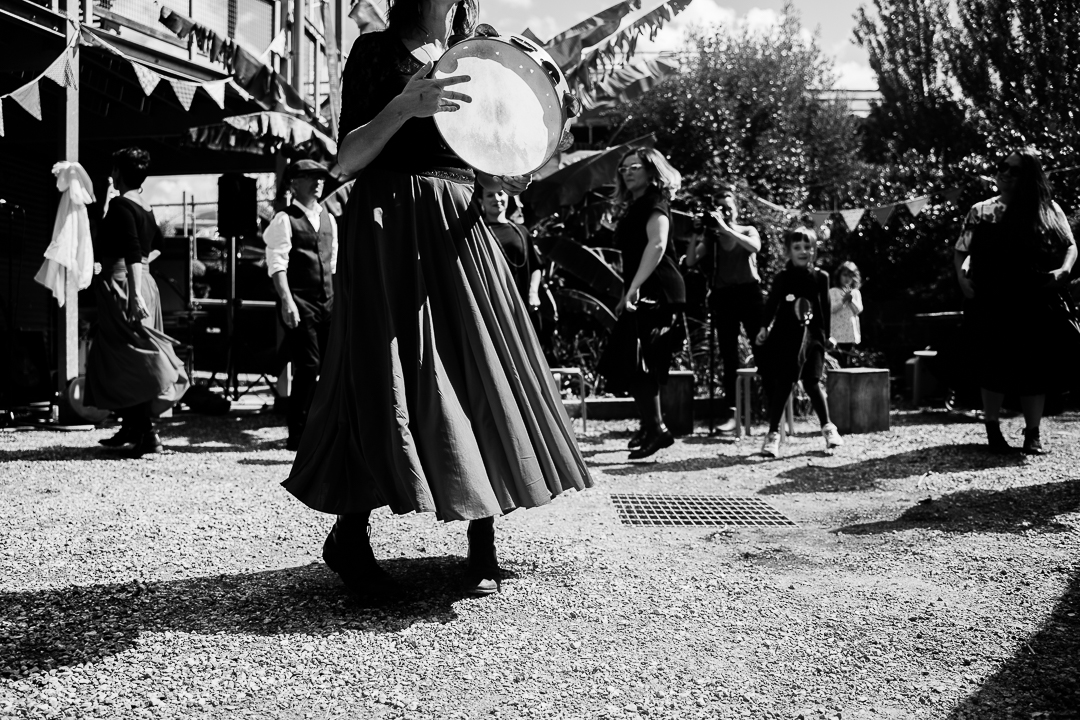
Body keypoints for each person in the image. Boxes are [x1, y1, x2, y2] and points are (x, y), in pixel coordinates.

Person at [282, 0, 592, 598]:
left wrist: (510, 168)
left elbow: (489, 148)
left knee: (479, 367)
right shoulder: (375, 50)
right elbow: (346, 160)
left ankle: (482, 544)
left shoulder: (480, 48)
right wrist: (404, 105)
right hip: (390, 224)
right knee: (381, 374)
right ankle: (351, 537)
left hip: (459, 225)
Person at [953, 147, 1078, 454]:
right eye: (1002, 166)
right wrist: (961, 277)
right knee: (992, 363)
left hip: (1033, 297)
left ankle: (1032, 434)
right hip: (990, 297)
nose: (1005, 173)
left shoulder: (1048, 210)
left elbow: (1070, 246)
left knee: (1033, 366)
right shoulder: (981, 210)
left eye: (1014, 170)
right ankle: (993, 431)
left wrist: (1064, 270)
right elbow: (961, 249)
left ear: (1030, 176)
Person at [85, 147, 189, 456]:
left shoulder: (121, 205)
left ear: (118, 172)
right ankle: (131, 426)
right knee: (124, 352)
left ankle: (146, 432)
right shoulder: (143, 206)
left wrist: (133, 288)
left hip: (126, 286)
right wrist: (141, 270)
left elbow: (130, 248)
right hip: (141, 281)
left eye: (114, 169)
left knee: (131, 356)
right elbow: (157, 245)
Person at [597, 147, 685, 460]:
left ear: (651, 169)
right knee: (634, 360)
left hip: (655, 289)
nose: (626, 172)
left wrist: (633, 288)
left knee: (641, 362)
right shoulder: (636, 204)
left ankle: (658, 429)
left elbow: (658, 244)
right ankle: (651, 425)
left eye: (633, 166)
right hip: (641, 288)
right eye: (623, 168)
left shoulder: (655, 202)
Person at [263, 159, 338, 451]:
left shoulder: (328, 217)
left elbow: (331, 264)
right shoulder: (285, 219)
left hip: (328, 301)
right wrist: (287, 302)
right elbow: (277, 265)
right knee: (308, 365)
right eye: (310, 177)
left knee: (332, 364)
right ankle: (298, 432)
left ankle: (326, 427)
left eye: (320, 177)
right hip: (300, 301)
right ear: (295, 183)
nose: (318, 182)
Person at [755, 225, 844, 458]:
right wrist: (764, 327)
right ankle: (773, 435)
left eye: (808, 247)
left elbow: (824, 309)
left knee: (812, 382)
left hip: (813, 337)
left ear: (814, 250)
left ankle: (828, 428)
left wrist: (827, 337)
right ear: (788, 251)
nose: (803, 251)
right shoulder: (783, 278)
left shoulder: (821, 277)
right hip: (786, 338)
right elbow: (772, 304)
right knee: (784, 383)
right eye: (797, 247)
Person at [686, 184, 764, 433]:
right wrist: (696, 233)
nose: (726, 212)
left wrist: (726, 228)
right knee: (728, 355)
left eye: (728, 208)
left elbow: (755, 248)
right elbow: (690, 260)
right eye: (721, 209)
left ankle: (769, 405)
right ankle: (733, 412)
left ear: (736, 209)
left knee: (761, 346)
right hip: (724, 296)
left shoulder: (746, 229)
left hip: (750, 294)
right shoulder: (713, 237)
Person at [829, 261, 863, 366]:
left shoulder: (855, 292)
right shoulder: (832, 291)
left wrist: (851, 300)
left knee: (848, 362)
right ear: (839, 276)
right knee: (836, 361)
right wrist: (843, 301)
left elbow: (858, 310)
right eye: (844, 275)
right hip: (836, 335)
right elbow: (831, 309)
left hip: (850, 334)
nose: (847, 278)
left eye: (850, 276)